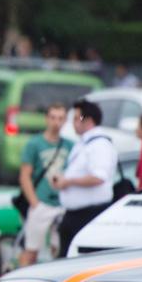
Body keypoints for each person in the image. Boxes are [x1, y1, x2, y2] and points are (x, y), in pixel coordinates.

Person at [52, 99, 117, 257]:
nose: (74, 123)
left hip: (89, 214)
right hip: (75, 214)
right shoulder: (83, 143)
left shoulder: (99, 145)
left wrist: (68, 181)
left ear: (88, 120)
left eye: (77, 118)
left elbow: (98, 177)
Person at [17, 103, 72, 266]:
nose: (56, 122)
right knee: (31, 249)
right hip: (42, 202)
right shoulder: (34, 144)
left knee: (59, 250)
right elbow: (25, 175)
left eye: (61, 118)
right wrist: (34, 202)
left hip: (62, 204)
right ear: (46, 119)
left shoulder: (70, 145)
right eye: (53, 118)